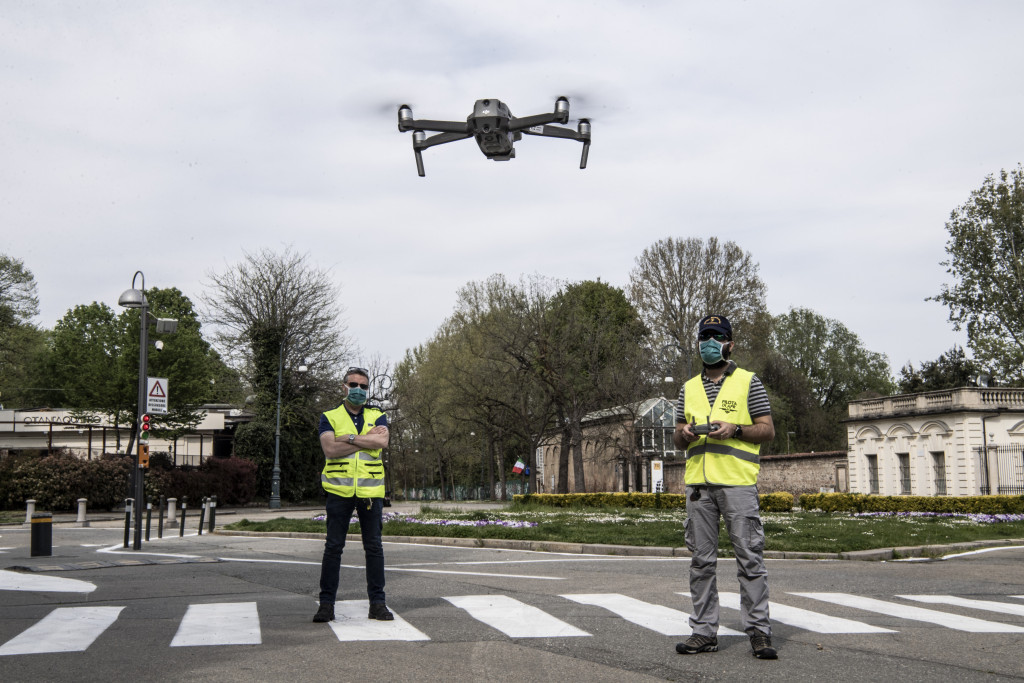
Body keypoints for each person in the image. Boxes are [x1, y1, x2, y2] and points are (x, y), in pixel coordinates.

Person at [672, 315, 778, 659]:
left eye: (717, 336)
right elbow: (676, 438)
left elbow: (767, 430)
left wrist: (736, 429)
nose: (709, 341)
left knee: (750, 560)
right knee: (701, 563)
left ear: (730, 344)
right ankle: (703, 633)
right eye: (705, 336)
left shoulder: (749, 382)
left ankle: (759, 633)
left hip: (737, 485)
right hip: (699, 488)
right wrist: (683, 434)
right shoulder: (687, 388)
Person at [313, 367, 393, 623]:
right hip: (339, 492)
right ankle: (326, 605)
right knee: (333, 548)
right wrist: (362, 438)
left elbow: (381, 443)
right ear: (343, 387)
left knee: (374, 548)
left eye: (364, 386)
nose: (359, 390)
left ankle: (378, 604)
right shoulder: (330, 416)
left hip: (371, 493)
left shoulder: (378, 415)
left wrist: (346, 439)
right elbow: (329, 449)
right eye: (353, 384)